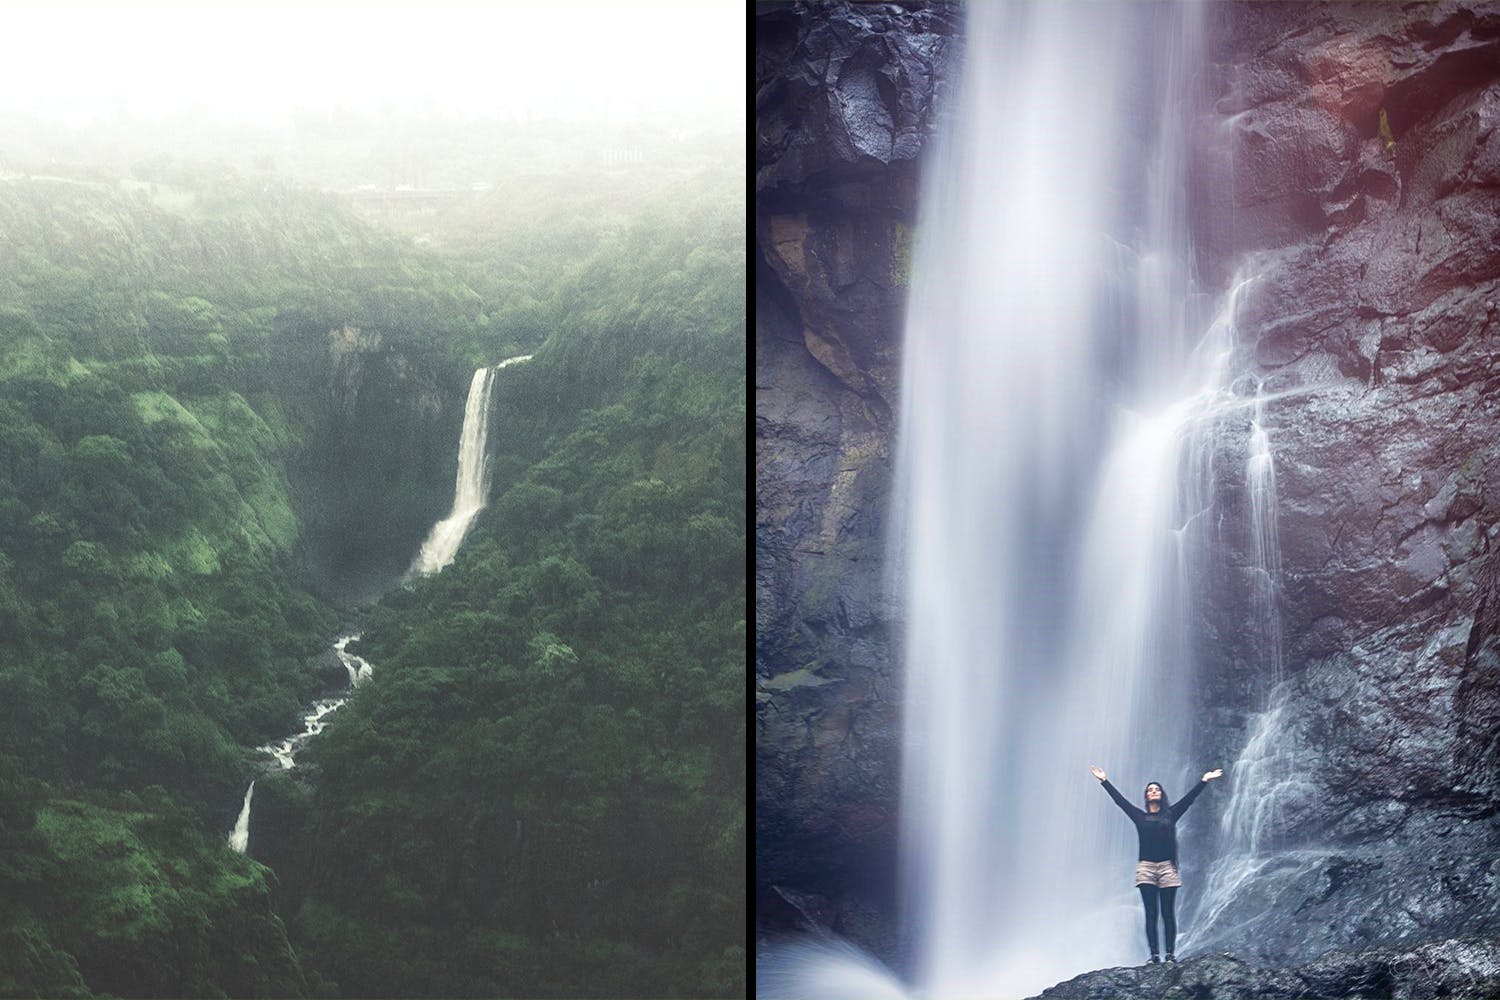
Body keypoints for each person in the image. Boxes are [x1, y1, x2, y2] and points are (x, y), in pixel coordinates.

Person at [1089, 763, 1224, 965]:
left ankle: (1170, 954)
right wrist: (1104, 781)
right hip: (1146, 868)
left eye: (1157, 789)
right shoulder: (1139, 816)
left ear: (1161, 795)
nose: (1153, 791)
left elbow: (1189, 800)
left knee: (1168, 913)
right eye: (1150, 790)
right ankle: (1154, 956)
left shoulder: (1171, 814)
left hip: (1168, 867)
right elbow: (1121, 802)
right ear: (1146, 796)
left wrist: (1204, 781)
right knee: (1151, 913)